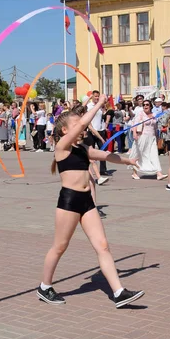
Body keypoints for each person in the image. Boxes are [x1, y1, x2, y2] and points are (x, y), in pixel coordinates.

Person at [37, 95, 145, 308]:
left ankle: (118, 292)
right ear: (65, 131)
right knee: (59, 247)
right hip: (69, 201)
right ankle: (44, 286)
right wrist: (98, 104)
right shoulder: (62, 147)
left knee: (103, 246)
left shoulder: (84, 148)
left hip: (87, 201)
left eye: (80, 122)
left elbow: (105, 155)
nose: (81, 126)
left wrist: (128, 161)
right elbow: (86, 122)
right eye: (76, 124)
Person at [129, 100, 168, 181]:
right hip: (142, 136)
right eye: (144, 105)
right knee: (139, 154)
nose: (145, 106)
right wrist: (134, 134)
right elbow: (135, 124)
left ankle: (159, 173)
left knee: (154, 155)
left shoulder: (153, 115)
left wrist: (157, 137)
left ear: (150, 106)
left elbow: (155, 127)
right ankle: (134, 173)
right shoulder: (140, 114)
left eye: (147, 104)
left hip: (152, 137)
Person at [86, 91, 108, 178]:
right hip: (91, 131)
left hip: (100, 130)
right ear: (92, 97)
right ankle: (89, 170)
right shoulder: (89, 106)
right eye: (95, 96)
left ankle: (103, 170)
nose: (97, 98)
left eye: (98, 96)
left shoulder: (100, 106)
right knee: (91, 152)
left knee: (102, 150)